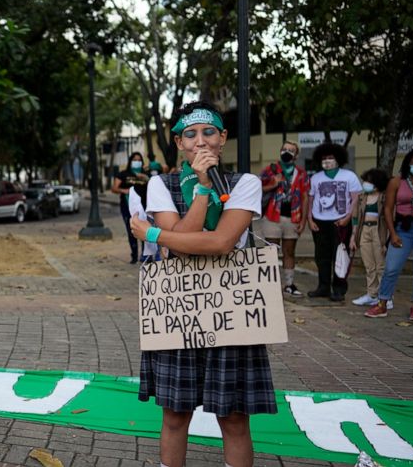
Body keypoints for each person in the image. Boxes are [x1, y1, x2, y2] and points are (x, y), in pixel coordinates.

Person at [129, 102, 275, 467]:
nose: (200, 142)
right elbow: (180, 241)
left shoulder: (246, 183)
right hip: (180, 312)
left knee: (234, 418)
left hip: (231, 314)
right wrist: (202, 190)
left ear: (223, 138)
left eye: (209, 132)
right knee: (175, 416)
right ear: (179, 142)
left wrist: (153, 233)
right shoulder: (160, 184)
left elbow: (221, 242)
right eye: (190, 135)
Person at [365, 148, 413, 322]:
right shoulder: (397, 181)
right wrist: (392, 234)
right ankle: (382, 303)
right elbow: (388, 208)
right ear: (408, 163)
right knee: (392, 267)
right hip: (403, 228)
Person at [306, 143, 361, 301]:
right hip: (319, 222)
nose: (327, 161)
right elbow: (311, 199)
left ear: (338, 159)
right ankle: (323, 287)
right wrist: (310, 219)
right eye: (324, 158)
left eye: (331, 157)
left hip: (341, 222)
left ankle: (338, 289)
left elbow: (355, 200)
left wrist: (347, 218)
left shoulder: (349, 176)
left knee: (340, 256)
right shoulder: (316, 178)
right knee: (321, 256)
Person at [259, 140, 310, 296]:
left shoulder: (301, 174)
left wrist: (303, 221)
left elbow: (305, 197)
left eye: (291, 150)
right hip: (272, 216)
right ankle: (271, 285)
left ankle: (289, 284)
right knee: (271, 251)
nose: (287, 152)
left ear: (296, 155)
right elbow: (258, 187)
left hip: (292, 217)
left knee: (289, 251)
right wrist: (274, 183)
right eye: (284, 149)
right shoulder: (271, 170)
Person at [349, 169, 391, 308]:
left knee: (380, 266)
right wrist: (353, 237)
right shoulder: (362, 197)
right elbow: (356, 219)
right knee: (369, 266)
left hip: (378, 232)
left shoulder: (384, 198)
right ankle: (371, 295)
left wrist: (386, 241)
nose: (365, 184)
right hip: (364, 231)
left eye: (369, 181)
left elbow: (389, 219)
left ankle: (386, 297)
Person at [112, 152, 149, 264]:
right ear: (130, 161)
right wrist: (125, 191)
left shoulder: (145, 174)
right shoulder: (123, 174)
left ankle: (145, 255)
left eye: (139, 160)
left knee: (145, 230)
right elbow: (114, 188)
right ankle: (134, 255)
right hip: (127, 206)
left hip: (144, 206)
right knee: (131, 230)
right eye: (135, 160)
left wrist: (147, 178)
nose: (137, 162)